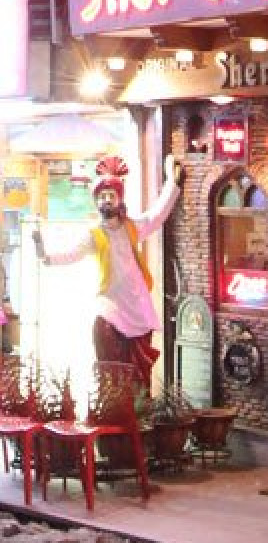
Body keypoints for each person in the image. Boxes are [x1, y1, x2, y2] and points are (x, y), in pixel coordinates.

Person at [32, 153, 181, 388]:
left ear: (119, 199)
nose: (107, 200)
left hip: (137, 307)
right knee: (109, 362)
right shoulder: (94, 234)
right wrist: (46, 255)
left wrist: (172, 182)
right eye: (102, 196)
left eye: (111, 195)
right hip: (111, 308)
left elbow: (157, 215)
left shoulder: (132, 227)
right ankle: (111, 402)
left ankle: (138, 404)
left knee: (138, 371)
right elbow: (71, 253)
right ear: (96, 202)